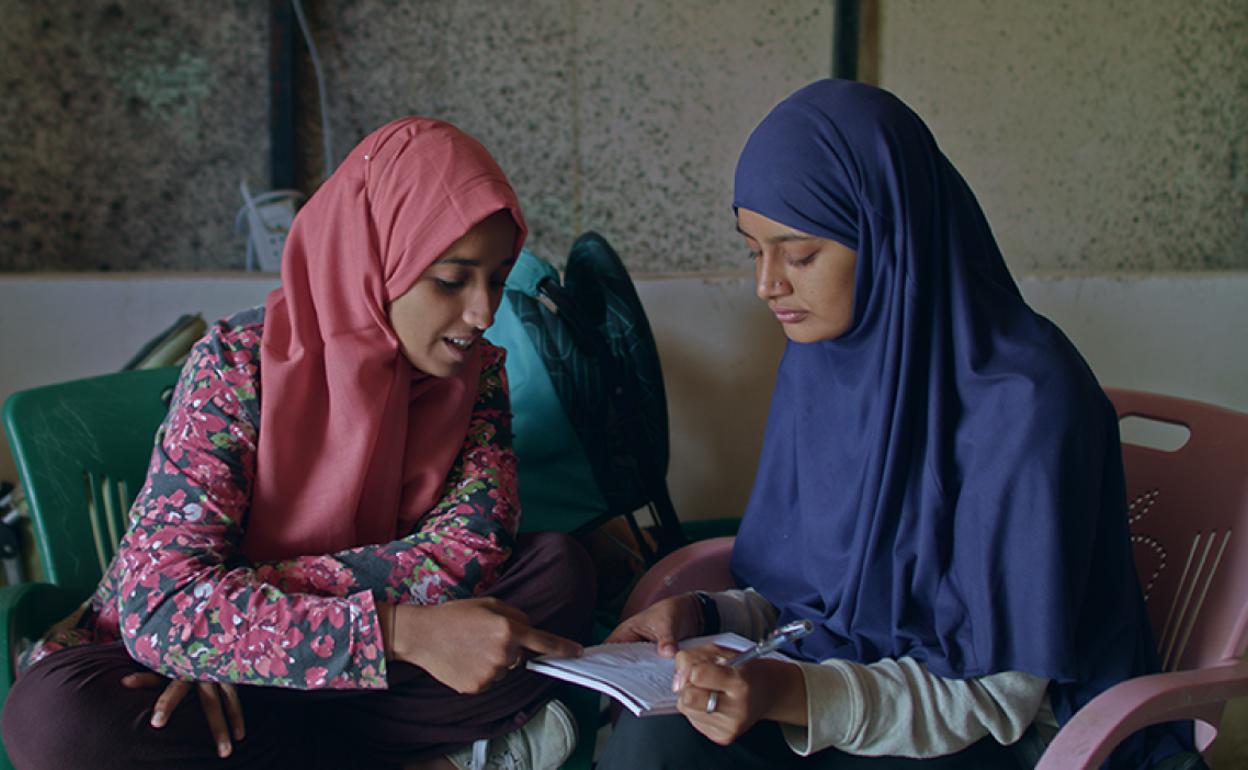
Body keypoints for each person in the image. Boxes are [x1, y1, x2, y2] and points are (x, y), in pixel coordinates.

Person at [598, 81, 1201, 769]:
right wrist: (707, 615)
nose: (767, 284)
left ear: (890, 239)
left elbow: (998, 699)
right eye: (752, 251)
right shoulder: (824, 367)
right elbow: (820, 609)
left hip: (995, 739)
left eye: (799, 255)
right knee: (663, 733)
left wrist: (792, 692)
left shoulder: (1027, 402)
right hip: (850, 700)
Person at [1, 118, 596, 770]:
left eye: (498, 278)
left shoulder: (477, 377)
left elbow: (467, 556)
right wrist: (393, 631)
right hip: (256, 685)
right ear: (373, 258)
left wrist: (230, 624)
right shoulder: (238, 364)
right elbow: (161, 603)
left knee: (558, 574)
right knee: (55, 718)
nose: (483, 313)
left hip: (323, 683)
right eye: (452, 280)